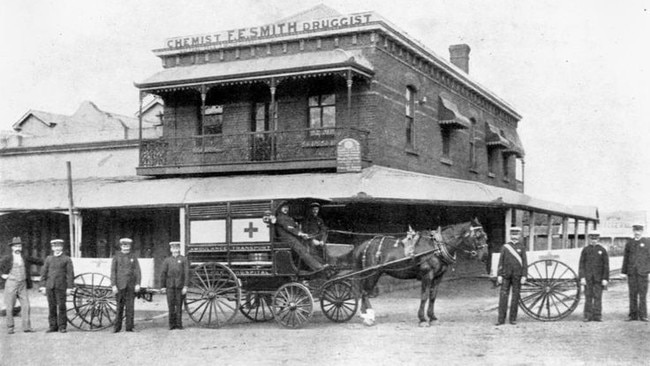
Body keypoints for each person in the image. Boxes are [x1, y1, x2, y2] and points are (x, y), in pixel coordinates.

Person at [0, 237, 44, 334]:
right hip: (11, 283)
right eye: (15, 246)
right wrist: (2, 275)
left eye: (19, 246)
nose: (18, 248)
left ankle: (27, 327)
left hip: (23, 284)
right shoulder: (7, 258)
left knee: (26, 306)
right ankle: (10, 327)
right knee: (10, 306)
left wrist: (51, 261)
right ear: (12, 247)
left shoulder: (25, 257)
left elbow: (39, 261)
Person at [274, 201, 329, 274]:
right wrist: (301, 234)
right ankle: (318, 267)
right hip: (287, 239)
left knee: (306, 248)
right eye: (284, 207)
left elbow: (294, 227)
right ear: (280, 209)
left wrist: (302, 234)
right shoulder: (280, 217)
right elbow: (289, 228)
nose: (286, 209)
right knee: (302, 249)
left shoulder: (287, 217)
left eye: (287, 207)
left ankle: (318, 265)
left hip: (291, 237)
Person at [39, 239, 75, 333]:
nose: (57, 248)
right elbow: (44, 273)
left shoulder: (66, 259)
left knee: (62, 306)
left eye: (59, 246)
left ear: (62, 247)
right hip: (50, 286)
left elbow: (70, 274)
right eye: (55, 247)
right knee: (51, 307)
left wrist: (69, 288)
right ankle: (53, 326)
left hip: (61, 286)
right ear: (52, 248)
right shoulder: (48, 259)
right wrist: (42, 286)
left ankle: (62, 326)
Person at [496, 226, 528, 326]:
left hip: (517, 276)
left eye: (516, 234)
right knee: (503, 297)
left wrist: (524, 276)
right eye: (513, 234)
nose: (515, 236)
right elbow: (500, 261)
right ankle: (501, 320)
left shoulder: (521, 247)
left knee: (515, 298)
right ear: (510, 235)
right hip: (505, 275)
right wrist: (499, 275)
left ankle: (513, 319)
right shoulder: (505, 247)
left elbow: (525, 263)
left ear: (519, 235)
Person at [110, 238, 141, 332]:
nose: (126, 247)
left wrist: (138, 284)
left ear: (130, 247)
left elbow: (138, 271)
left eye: (127, 246)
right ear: (121, 246)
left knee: (130, 307)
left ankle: (129, 327)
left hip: (131, 286)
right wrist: (113, 285)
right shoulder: (116, 257)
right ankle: (117, 328)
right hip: (120, 286)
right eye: (124, 246)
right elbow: (113, 272)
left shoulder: (133, 257)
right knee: (119, 307)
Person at [621, 223, 650, 321]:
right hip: (632, 273)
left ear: (642, 231)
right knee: (632, 294)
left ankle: (643, 315)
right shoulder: (629, 243)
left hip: (643, 273)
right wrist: (624, 272)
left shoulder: (647, 242)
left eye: (639, 231)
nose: (637, 233)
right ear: (633, 231)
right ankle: (633, 315)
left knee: (642, 294)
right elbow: (626, 258)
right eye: (635, 231)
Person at [578, 231, 609, 322]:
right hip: (588, 278)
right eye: (592, 239)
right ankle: (587, 316)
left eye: (595, 239)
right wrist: (582, 277)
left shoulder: (602, 250)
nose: (594, 241)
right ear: (589, 239)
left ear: (598, 239)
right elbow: (581, 265)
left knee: (598, 297)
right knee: (588, 297)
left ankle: (597, 316)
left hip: (599, 279)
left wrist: (605, 278)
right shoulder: (585, 250)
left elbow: (606, 266)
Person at [160, 241, 189, 330]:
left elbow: (186, 273)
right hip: (170, 286)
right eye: (173, 248)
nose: (175, 250)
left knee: (179, 305)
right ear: (171, 249)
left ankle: (179, 324)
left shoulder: (183, 259)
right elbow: (163, 273)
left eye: (177, 248)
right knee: (171, 306)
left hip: (179, 286)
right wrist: (163, 286)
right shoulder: (167, 260)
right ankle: (171, 325)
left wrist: (185, 286)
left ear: (179, 249)